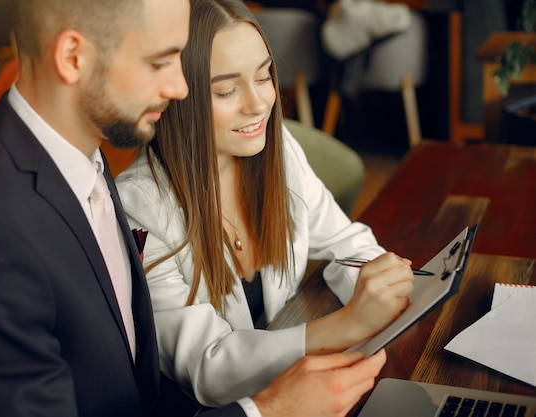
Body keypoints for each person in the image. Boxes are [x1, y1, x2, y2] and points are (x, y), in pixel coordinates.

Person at [0, 0, 388, 416]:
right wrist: (271, 410)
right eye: (160, 62)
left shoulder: (83, 169)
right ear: (73, 57)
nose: (182, 88)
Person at [115, 0, 414, 407]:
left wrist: (378, 290)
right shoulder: (139, 206)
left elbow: (346, 244)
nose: (258, 104)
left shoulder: (277, 150)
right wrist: (346, 325)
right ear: (178, 95)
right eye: (226, 90)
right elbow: (208, 367)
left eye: (263, 77)